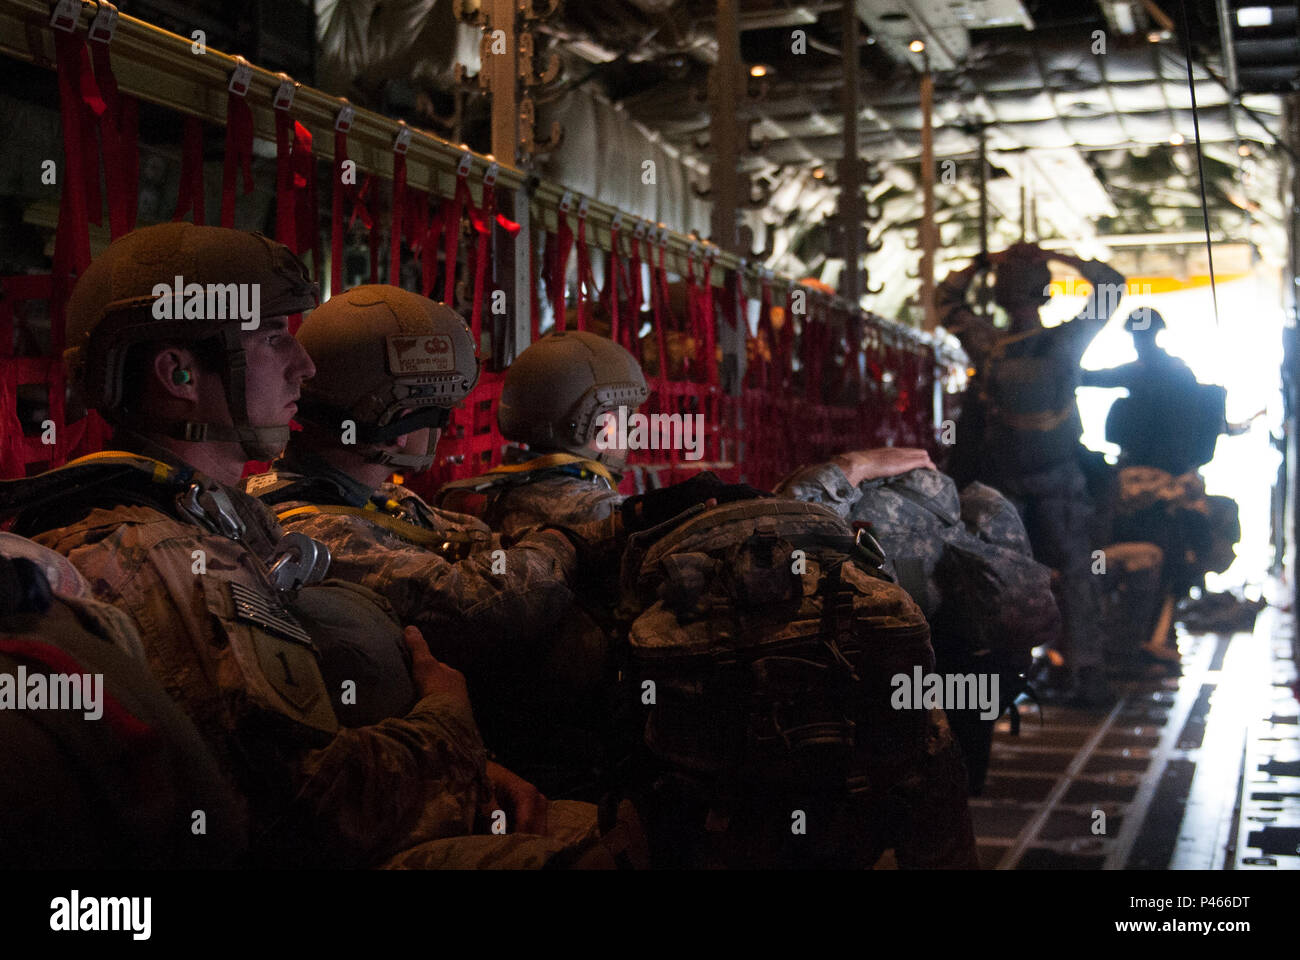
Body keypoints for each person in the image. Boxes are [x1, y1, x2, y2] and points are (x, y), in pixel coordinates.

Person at [0, 223, 612, 869]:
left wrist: (471, 768)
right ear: (178, 372)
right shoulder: (161, 553)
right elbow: (306, 814)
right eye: (272, 340)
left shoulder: (211, 516)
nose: (306, 366)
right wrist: (448, 724)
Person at [245, 286, 638, 806]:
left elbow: (477, 541)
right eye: (435, 411)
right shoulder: (315, 529)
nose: (441, 426)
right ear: (392, 429)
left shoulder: (375, 499)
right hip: (403, 780)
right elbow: (483, 605)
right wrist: (568, 536)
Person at [937, 242, 1127, 705]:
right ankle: (1087, 671)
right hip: (1058, 478)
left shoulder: (988, 343)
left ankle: (1007, 670)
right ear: (1045, 293)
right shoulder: (1068, 340)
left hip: (1004, 484)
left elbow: (946, 302)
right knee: (1079, 574)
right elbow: (1112, 286)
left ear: (1001, 298)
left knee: (1000, 576)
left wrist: (982, 262)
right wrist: (1061, 256)